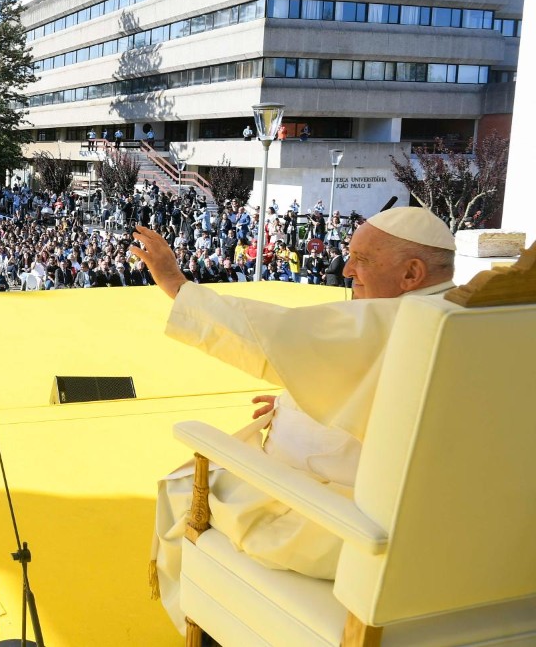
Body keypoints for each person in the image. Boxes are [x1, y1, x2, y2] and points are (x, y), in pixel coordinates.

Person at [129, 206, 457, 635]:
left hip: (348, 532)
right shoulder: (474, 320)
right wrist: (292, 405)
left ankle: (207, 627)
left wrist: (176, 284)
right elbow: (391, 413)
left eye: (363, 260)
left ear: (411, 274)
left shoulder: (395, 320)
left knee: (183, 487)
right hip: (445, 533)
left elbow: (274, 335)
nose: (347, 270)